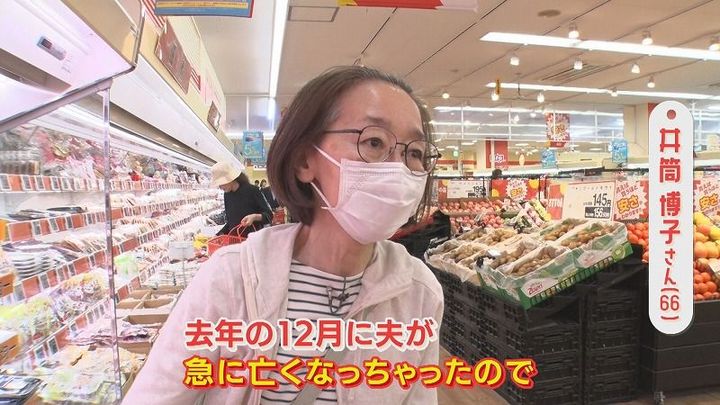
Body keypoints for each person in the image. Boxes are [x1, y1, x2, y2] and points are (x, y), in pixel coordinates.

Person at [124, 66, 443, 404]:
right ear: (305, 160)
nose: (398, 167)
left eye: (414, 153)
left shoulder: (418, 292)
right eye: (374, 142)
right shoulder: (232, 278)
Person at [211, 163, 272, 236]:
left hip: (253, 239)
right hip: (235, 239)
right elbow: (231, 222)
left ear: (231, 178)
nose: (220, 187)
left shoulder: (253, 190)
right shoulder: (227, 195)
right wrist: (218, 235)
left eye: (221, 183)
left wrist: (254, 217)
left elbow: (269, 215)